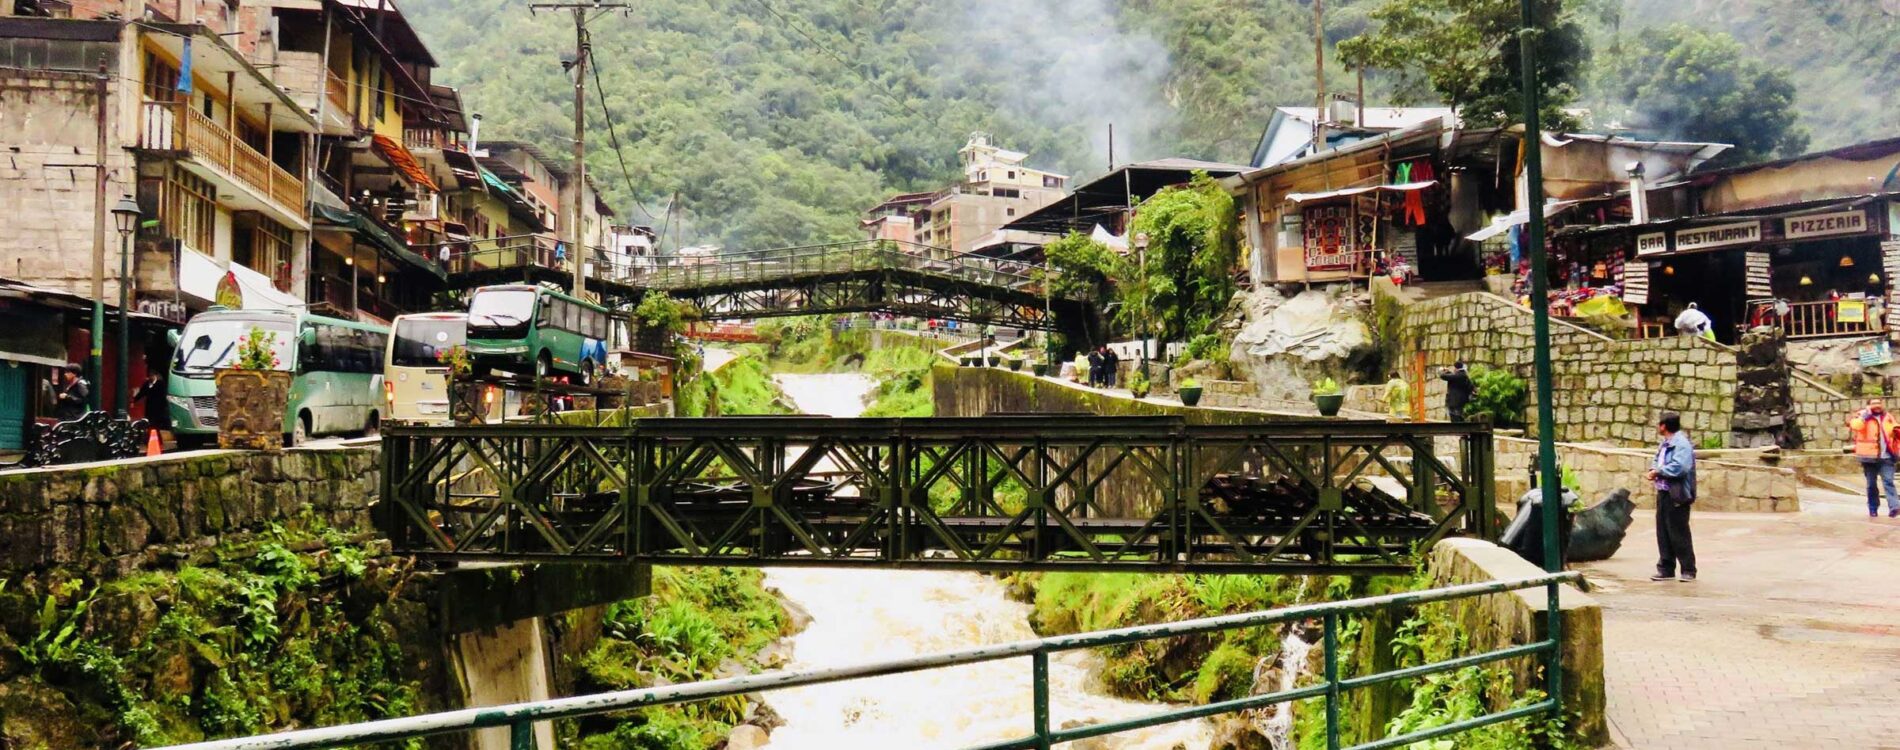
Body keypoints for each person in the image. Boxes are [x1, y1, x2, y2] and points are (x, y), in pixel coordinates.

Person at [1645, 411, 1698, 582]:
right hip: (1663, 491)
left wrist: (1659, 471)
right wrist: (1654, 470)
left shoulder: (1681, 444)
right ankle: (1666, 568)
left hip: (1676, 493)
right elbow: (1656, 460)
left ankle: (1688, 569)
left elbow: (1680, 467)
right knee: (1663, 532)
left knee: (1678, 532)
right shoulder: (1665, 444)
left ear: (1664, 426)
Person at [1847, 397, 1900, 518]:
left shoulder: (1888, 416)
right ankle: (1873, 508)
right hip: (1869, 457)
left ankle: (1894, 507)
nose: (1877, 405)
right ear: (1868, 405)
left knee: (1889, 482)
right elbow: (1855, 426)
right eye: (1874, 403)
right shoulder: (1862, 415)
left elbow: (1895, 428)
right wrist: (1866, 416)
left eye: (1879, 403)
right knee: (1871, 484)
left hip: (1886, 456)